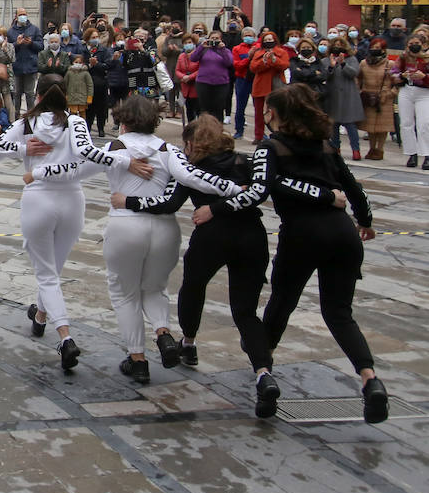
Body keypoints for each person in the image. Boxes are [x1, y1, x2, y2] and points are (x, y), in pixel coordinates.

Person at [30, 94, 241, 385]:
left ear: (123, 120)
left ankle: (138, 358)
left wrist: (38, 172)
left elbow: (73, 171)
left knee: (124, 293)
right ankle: (163, 334)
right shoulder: (169, 150)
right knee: (155, 288)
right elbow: (195, 176)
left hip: (126, 226)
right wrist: (233, 189)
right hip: (164, 229)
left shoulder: (115, 148)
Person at [219, 84, 388, 423]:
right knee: (339, 312)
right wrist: (362, 218)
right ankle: (370, 380)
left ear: (278, 115)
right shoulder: (325, 145)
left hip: (303, 233)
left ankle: (264, 374)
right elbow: (352, 187)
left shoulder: (271, 147)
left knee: (282, 302)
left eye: (268, 111)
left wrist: (321, 197)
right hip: (342, 232)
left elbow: (265, 185)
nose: (265, 116)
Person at [0, 75, 156, 370]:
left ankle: (65, 336)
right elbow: (88, 157)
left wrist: (25, 150)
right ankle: (40, 315)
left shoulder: (27, 123)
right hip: (72, 201)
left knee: (47, 274)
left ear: (37, 96)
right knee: (54, 268)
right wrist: (123, 160)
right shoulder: (75, 122)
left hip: (38, 199)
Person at [116, 114, 280, 415]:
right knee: (245, 312)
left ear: (191, 143)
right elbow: (257, 194)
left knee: (193, 286)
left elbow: (169, 203)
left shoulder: (192, 169)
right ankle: (263, 374)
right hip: (252, 237)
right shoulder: (244, 161)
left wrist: (128, 202)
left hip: (212, 238)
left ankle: (188, 342)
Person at [324, 37, 363, 159]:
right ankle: (335, 148)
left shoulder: (351, 59)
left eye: (340, 44)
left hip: (348, 97)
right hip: (332, 96)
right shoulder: (325, 60)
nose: (337, 46)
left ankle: (356, 150)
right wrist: (331, 66)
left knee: (350, 125)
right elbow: (324, 76)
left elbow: (354, 73)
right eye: (335, 44)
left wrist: (343, 64)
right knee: (333, 125)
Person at [358, 37, 396, 160]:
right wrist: (359, 91)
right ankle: (371, 148)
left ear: (384, 50)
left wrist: (390, 94)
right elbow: (358, 79)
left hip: (384, 98)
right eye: (373, 48)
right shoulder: (363, 63)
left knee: (382, 127)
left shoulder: (389, 64)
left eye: (378, 48)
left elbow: (397, 83)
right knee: (370, 127)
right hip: (368, 97)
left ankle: (380, 149)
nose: (375, 50)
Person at [248, 31, 290, 143]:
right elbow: (253, 68)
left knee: (278, 112)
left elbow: (284, 65)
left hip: (276, 86)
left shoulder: (282, 52)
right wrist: (265, 61)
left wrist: (274, 60)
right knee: (259, 114)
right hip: (260, 86)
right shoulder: (258, 53)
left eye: (270, 40)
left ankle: (279, 134)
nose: (268, 42)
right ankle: (259, 136)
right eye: (266, 40)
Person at [190, 31, 235, 122]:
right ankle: (204, 129)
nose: (214, 40)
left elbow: (229, 62)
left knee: (218, 109)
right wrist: (201, 46)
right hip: (204, 82)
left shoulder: (225, 51)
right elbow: (193, 58)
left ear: (221, 40)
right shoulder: (204, 49)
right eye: (212, 38)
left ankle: (217, 130)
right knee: (205, 109)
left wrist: (222, 49)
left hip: (221, 83)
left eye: (217, 39)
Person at [7, 7, 44, 117]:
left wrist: (31, 43)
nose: (23, 16)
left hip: (30, 66)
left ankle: (31, 115)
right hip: (17, 67)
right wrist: (17, 44)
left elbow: (41, 46)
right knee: (17, 93)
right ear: (16, 17)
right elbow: (8, 48)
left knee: (30, 93)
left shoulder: (34, 29)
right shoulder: (11, 31)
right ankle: (16, 115)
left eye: (24, 14)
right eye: (20, 14)